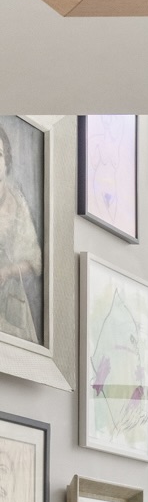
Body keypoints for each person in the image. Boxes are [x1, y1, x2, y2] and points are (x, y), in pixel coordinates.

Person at [0, 122, 44, 346]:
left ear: (6, 159)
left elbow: (34, 261)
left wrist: (6, 272)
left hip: (12, 303)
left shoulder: (17, 202)